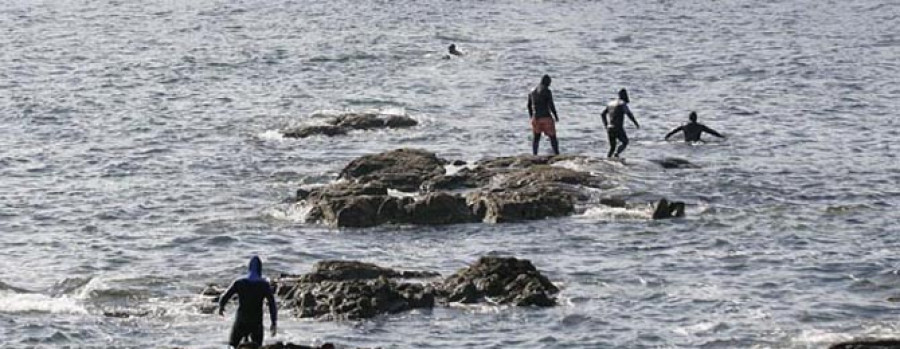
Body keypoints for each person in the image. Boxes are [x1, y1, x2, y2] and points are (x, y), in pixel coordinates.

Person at [219, 256, 278, 348]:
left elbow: (224, 297)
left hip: (241, 321)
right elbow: (272, 304)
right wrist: (273, 322)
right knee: (257, 346)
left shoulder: (239, 283)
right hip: (256, 322)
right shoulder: (264, 285)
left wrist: (221, 307)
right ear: (260, 269)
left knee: (232, 346)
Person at [600, 88, 639, 158]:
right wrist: (636, 123)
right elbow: (629, 114)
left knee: (612, 147)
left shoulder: (610, 103)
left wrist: (606, 125)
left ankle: (607, 159)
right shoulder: (622, 104)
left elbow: (602, 114)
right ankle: (616, 154)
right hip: (618, 127)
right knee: (625, 142)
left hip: (609, 128)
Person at [527, 74, 560, 155]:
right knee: (553, 137)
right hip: (546, 117)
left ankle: (534, 154)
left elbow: (528, 105)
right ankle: (557, 154)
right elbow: (551, 105)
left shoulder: (532, 91)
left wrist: (532, 116)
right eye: (549, 82)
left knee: (536, 138)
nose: (550, 84)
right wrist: (555, 116)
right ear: (547, 82)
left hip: (536, 118)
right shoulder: (547, 91)